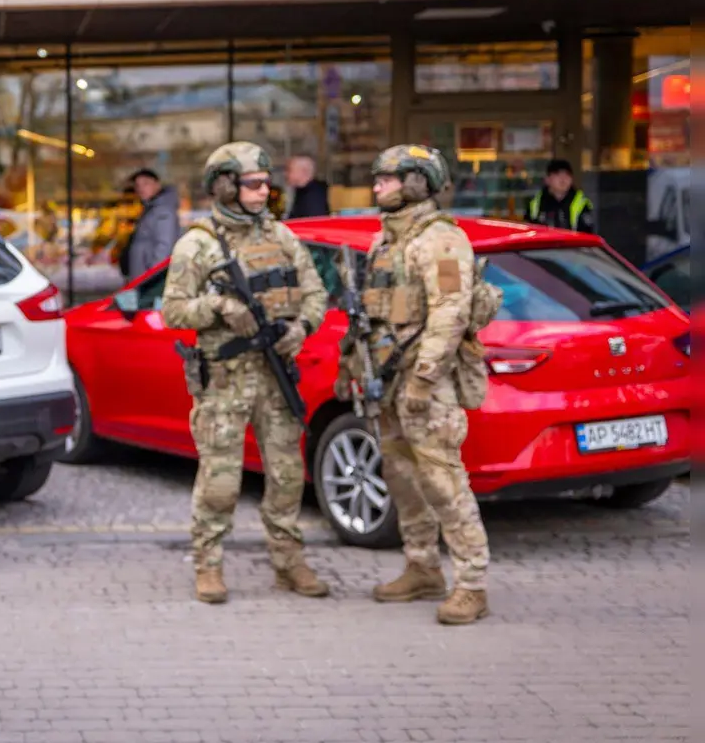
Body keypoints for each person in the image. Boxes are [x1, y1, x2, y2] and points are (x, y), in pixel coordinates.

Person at [159, 142, 328, 604]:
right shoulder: (198, 243)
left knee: (288, 475)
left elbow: (315, 293)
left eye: (266, 183)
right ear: (227, 186)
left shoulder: (282, 237)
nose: (264, 190)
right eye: (254, 183)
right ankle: (208, 564)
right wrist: (219, 306)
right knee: (220, 480)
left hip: (275, 377)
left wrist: (302, 328)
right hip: (226, 378)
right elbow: (172, 311)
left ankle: (289, 561)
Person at [342, 144, 492, 626]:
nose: (376, 186)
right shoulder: (383, 242)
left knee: (443, 481)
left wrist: (425, 378)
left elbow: (450, 313)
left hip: (425, 384)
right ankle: (422, 565)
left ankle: (471, 584)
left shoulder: (441, 240)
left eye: (386, 178)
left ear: (415, 182)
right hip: (386, 379)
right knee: (402, 476)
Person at [121, 168, 181, 280]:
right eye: (137, 185)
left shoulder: (163, 211)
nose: (140, 189)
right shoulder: (150, 209)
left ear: (157, 184)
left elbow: (164, 247)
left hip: (149, 280)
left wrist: (151, 277)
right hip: (143, 278)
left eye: (145, 183)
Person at [524, 158, 595, 233]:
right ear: (547, 179)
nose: (563, 179)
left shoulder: (582, 203)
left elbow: (588, 234)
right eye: (557, 174)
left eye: (567, 174)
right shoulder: (535, 204)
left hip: (572, 244)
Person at [283, 154, 331, 218]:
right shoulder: (301, 191)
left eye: (289, 170)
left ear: (304, 171)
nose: (285, 174)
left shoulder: (315, 196)